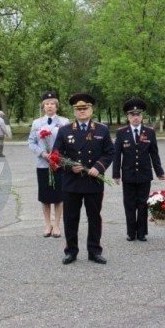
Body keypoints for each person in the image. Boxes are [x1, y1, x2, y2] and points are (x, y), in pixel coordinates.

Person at [52, 92, 115, 265]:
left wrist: (98, 167)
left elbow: (110, 152)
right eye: (78, 109)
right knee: (71, 218)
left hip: (93, 182)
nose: (81, 112)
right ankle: (71, 251)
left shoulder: (101, 129)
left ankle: (94, 251)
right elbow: (56, 155)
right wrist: (69, 166)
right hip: (71, 183)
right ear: (74, 111)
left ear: (91, 109)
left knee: (94, 217)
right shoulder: (64, 131)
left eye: (85, 108)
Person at [113, 98, 165, 242]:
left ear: (141, 116)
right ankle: (131, 232)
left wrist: (159, 172)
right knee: (129, 204)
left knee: (143, 203)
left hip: (144, 174)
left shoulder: (149, 132)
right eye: (132, 115)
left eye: (138, 115)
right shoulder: (121, 132)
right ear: (128, 117)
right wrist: (116, 174)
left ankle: (142, 233)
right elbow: (117, 155)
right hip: (128, 174)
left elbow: (154, 153)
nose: (135, 117)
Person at [27, 91, 69, 237]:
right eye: (47, 104)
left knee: (59, 196)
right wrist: (43, 154)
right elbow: (31, 142)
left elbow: (68, 142)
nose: (49, 106)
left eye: (52, 103)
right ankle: (47, 225)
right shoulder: (37, 123)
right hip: (43, 164)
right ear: (43, 106)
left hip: (58, 164)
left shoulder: (64, 122)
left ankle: (57, 225)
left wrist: (58, 155)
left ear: (56, 106)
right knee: (45, 196)